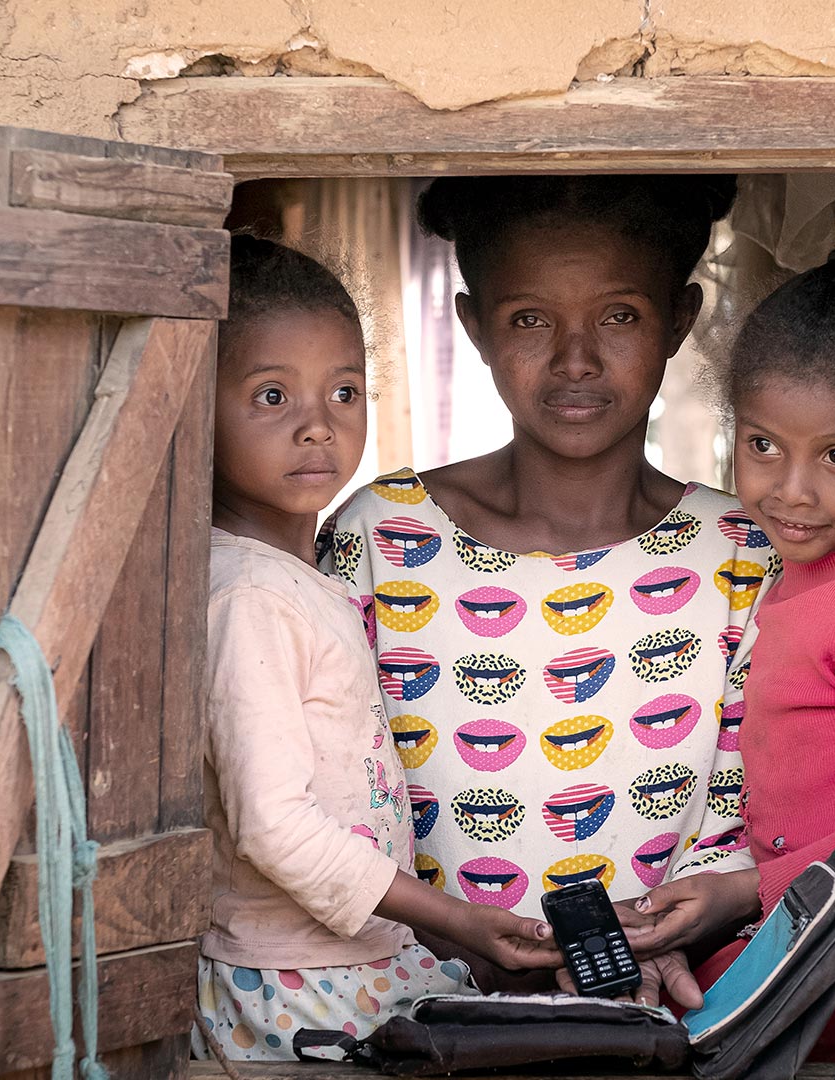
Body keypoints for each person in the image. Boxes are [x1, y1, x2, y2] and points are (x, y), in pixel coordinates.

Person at [322, 176, 766, 1007]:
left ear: (679, 319)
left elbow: (744, 805)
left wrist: (694, 918)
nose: (576, 360)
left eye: (620, 316)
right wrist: (446, 933)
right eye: (530, 319)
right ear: (473, 328)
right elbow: (324, 793)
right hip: (411, 1005)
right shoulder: (378, 536)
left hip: (654, 1014)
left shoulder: (740, 551)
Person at [196, 236, 559, 1063]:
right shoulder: (249, 598)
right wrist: (451, 918)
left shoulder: (293, 577)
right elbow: (274, 826)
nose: (317, 425)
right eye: (272, 396)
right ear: (197, 406)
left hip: (347, 960)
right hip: (295, 983)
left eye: (344, 391)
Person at [622, 208, 835, 1061]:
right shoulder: (799, 569)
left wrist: (743, 893)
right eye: (764, 445)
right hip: (789, 924)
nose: (791, 490)